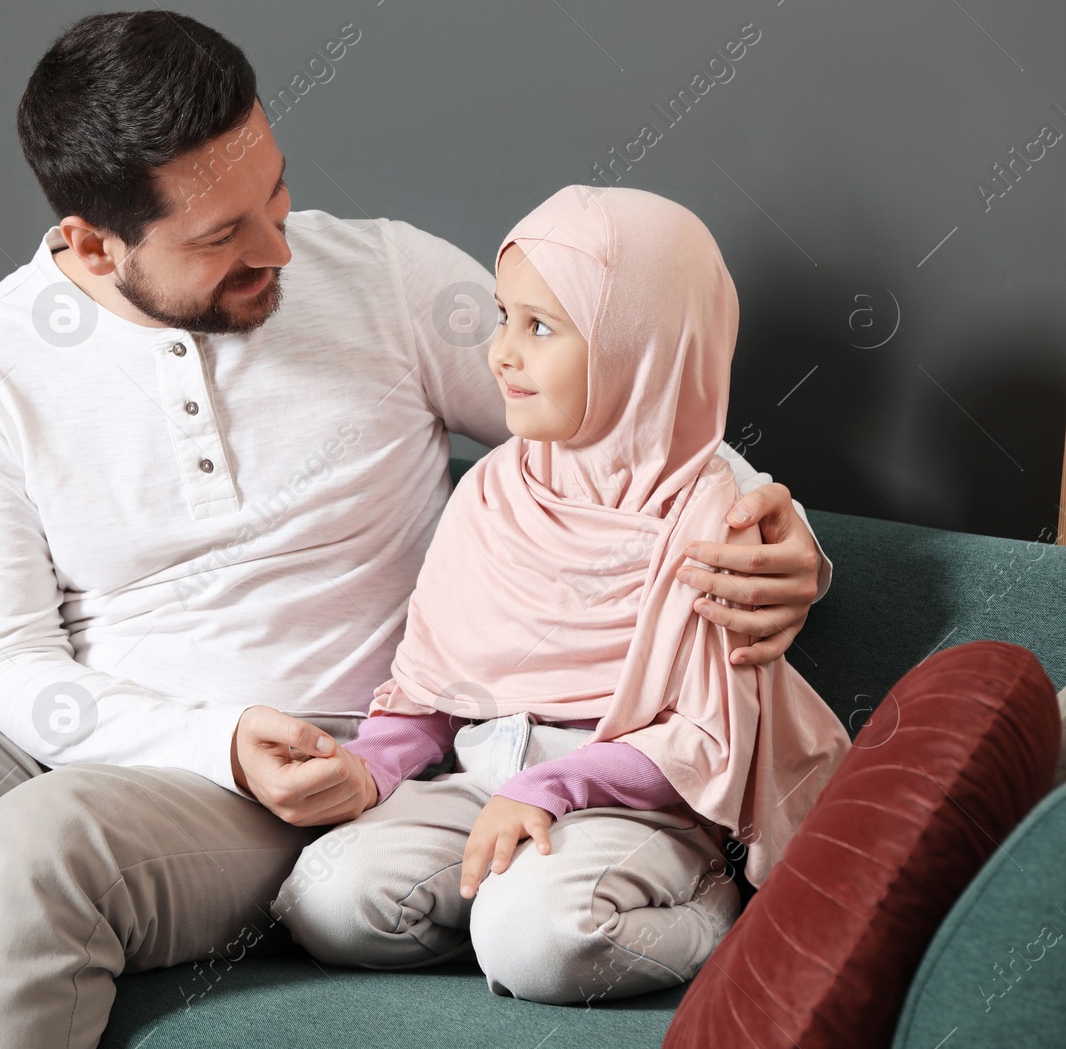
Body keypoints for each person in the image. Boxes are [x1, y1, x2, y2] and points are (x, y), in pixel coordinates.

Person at [0, 12, 833, 1049]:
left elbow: (623, 409)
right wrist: (209, 735)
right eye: (219, 237)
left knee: (51, 840)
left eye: (276, 191)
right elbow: (5, 665)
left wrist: (783, 543)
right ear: (92, 242)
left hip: (328, 768)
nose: (276, 248)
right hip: (89, 737)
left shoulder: (394, 281)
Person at [270, 183, 853, 1006]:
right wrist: (367, 768)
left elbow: (705, 740)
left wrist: (549, 787)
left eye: (540, 327)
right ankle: (500, 921)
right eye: (504, 317)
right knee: (325, 898)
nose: (501, 353)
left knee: (544, 941)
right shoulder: (491, 493)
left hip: (634, 805)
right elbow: (433, 690)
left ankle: (714, 911)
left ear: (638, 347)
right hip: (478, 785)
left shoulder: (716, 517)